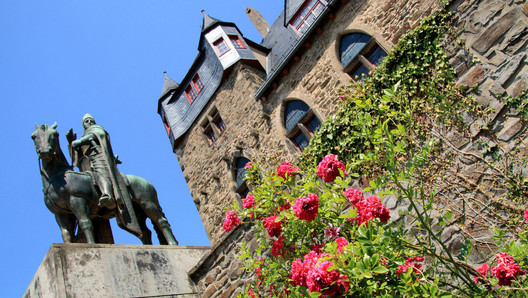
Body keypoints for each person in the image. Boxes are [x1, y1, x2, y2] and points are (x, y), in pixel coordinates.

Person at [71, 114, 118, 209]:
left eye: (90, 120)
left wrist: (79, 141)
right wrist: (71, 143)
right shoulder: (83, 135)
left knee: (100, 170)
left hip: (98, 156)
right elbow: (77, 160)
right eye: (86, 121)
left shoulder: (95, 128)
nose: (89, 122)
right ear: (83, 125)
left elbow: (98, 134)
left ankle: (107, 194)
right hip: (88, 162)